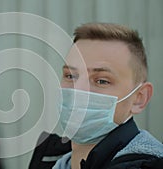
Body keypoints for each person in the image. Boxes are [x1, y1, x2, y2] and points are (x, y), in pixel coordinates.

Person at [29, 23, 163, 169]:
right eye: (70, 75)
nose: (78, 90)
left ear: (140, 98)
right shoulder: (51, 158)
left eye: (101, 80)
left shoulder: (148, 163)